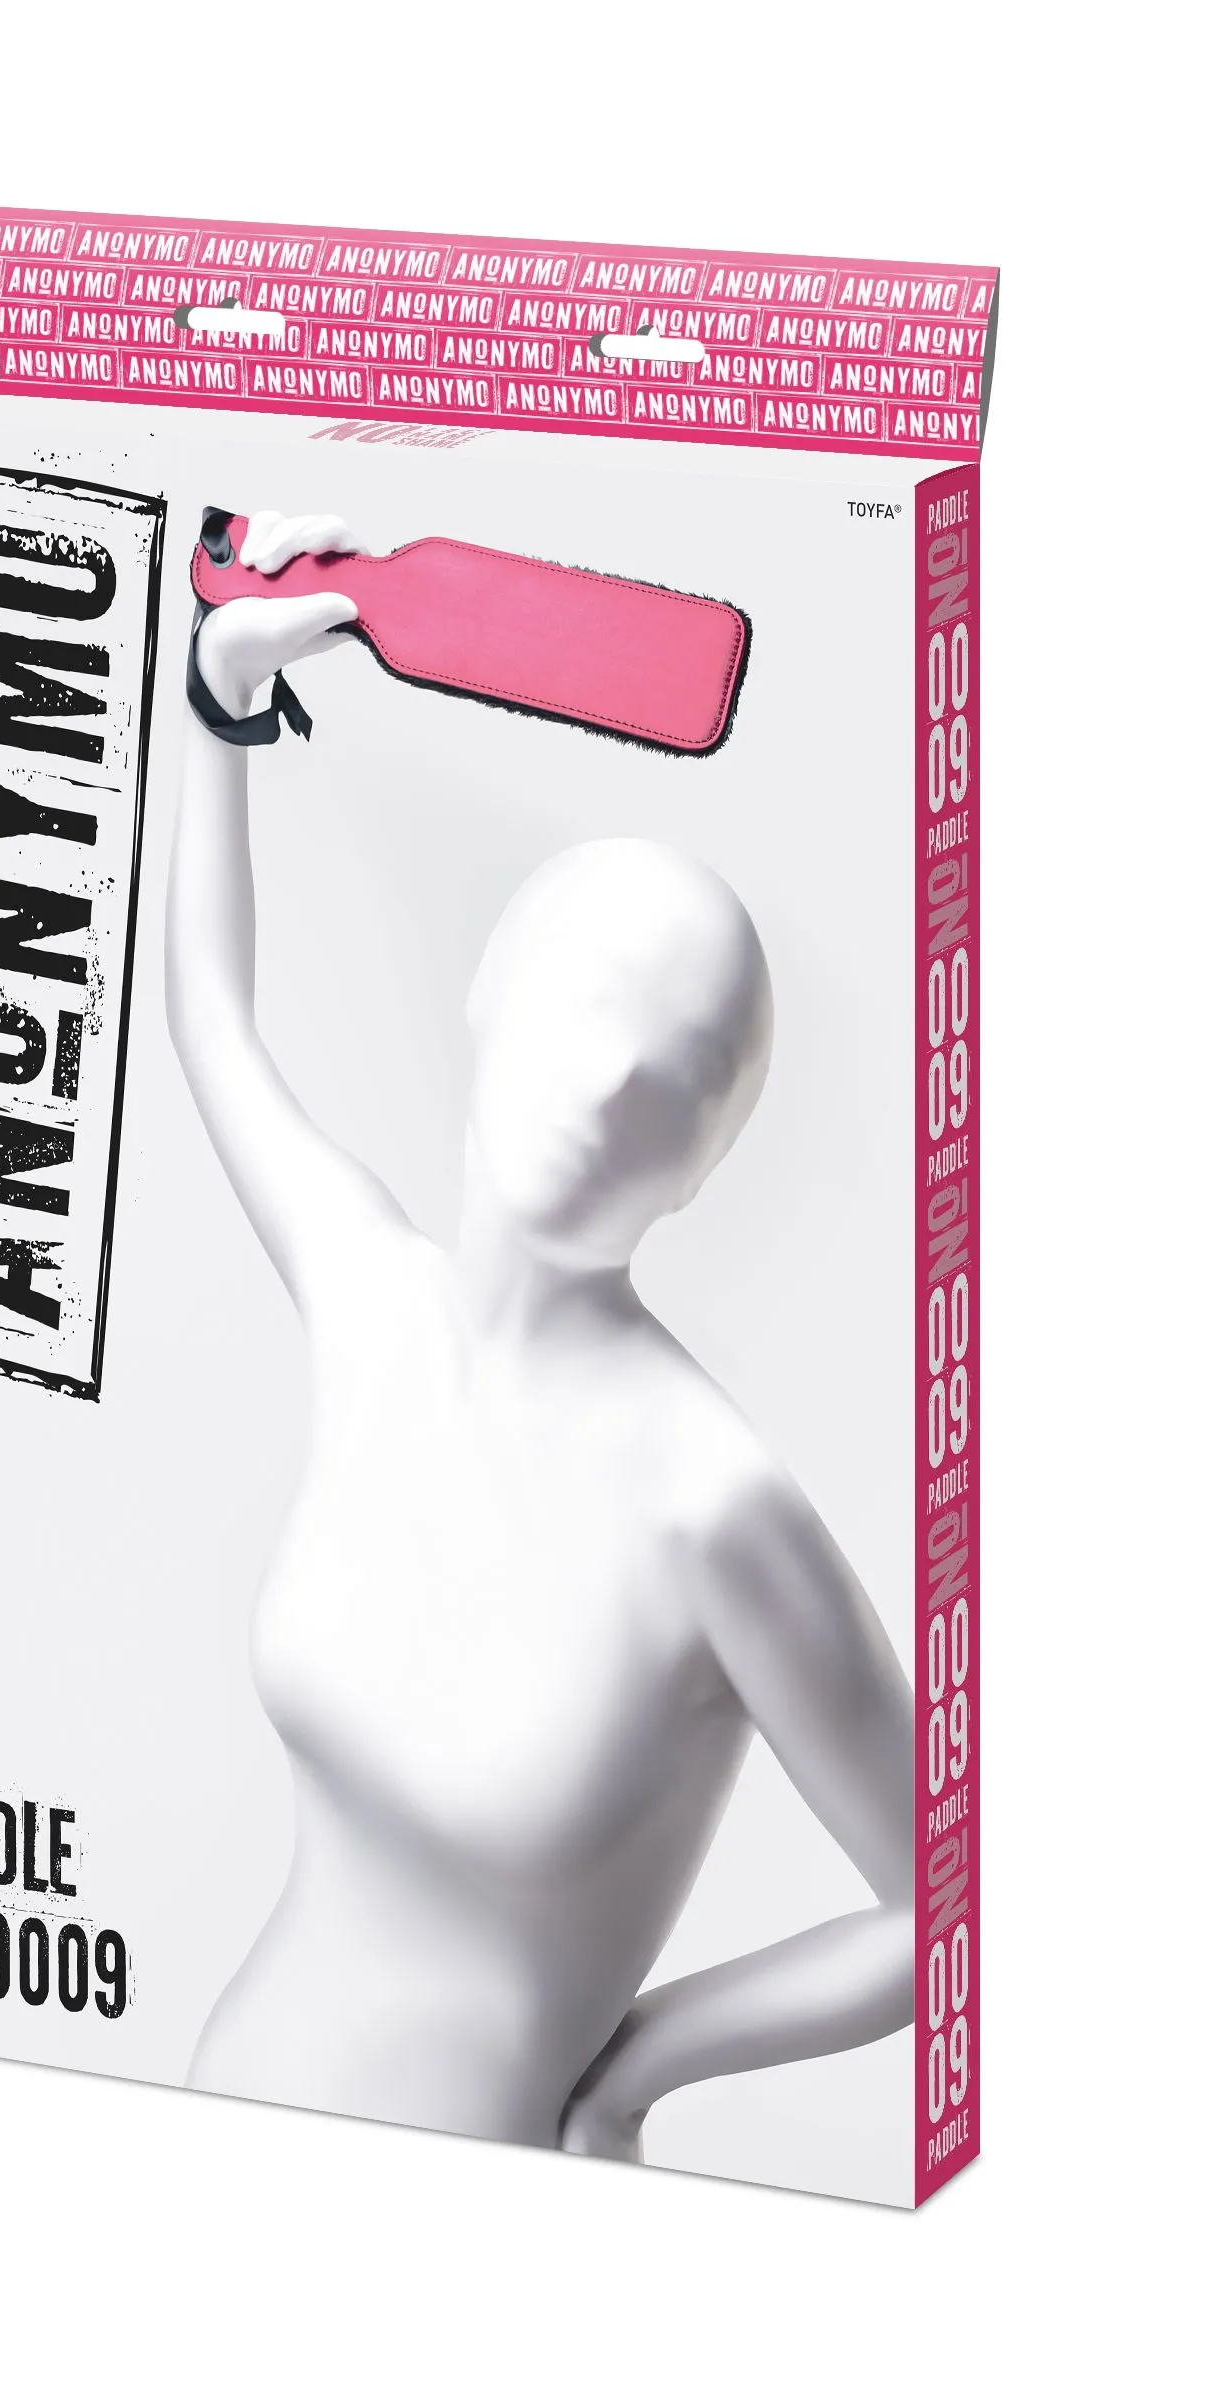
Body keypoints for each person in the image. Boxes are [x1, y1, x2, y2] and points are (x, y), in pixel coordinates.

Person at [166, 508, 914, 2161]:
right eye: (593, 999)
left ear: (707, 1159)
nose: (618, 1077)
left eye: (690, 1068)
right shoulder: (370, 1298)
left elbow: (948, 1904)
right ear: (491, 993)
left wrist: (640, 2066)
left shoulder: (707, 1505)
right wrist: (221, 689)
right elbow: (209, 1012)